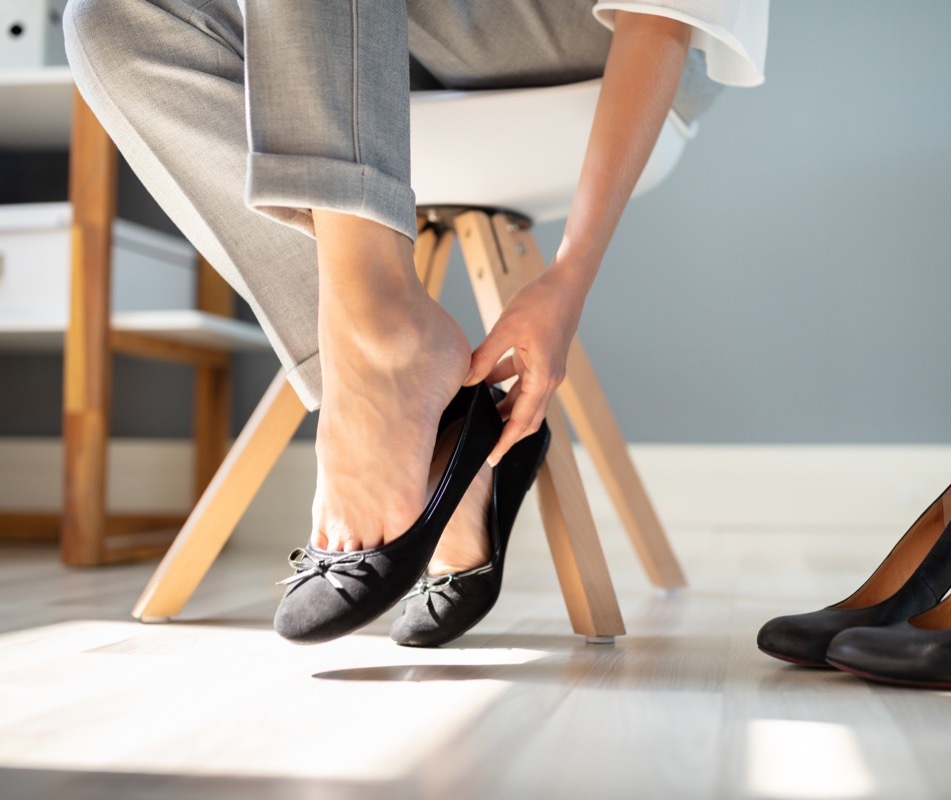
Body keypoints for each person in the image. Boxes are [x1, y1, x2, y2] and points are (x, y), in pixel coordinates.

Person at [64, 0, 768, 643]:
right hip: (376, 32)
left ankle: (383, 365)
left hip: (579, 33)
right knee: (111, 20)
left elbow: (665, 18)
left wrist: (569, 277)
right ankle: (392, 375)